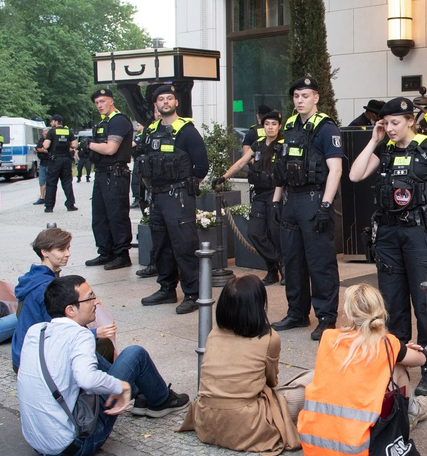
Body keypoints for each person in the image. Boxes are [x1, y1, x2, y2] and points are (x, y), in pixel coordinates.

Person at [16, 275, 190, 456]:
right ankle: (161, 400)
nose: (96, 302)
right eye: (90, 298)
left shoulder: (37, 331)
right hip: (76, 443)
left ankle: (141, 394)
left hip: (39, 443)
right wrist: (120, 387)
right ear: (71, 310)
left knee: (94, 357)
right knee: (135, 353)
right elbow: (87, 380)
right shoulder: (80, 335)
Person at [349, 96, 427, 353]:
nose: (390, 128)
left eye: (395, 123)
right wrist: (374, 140)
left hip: (419, 235)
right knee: (392, 303)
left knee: (424, 303)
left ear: (410, 121)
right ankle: (398, 362)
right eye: (386, 123)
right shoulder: (385, 149)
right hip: (388, 235)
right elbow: (355, 175)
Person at [297, 284, 427, 456]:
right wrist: (401, 350)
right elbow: (422, 359)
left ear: (347, 315)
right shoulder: (387, 343)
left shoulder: (327, 337)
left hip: (312, 448)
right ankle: (413, 410)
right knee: (398, 366)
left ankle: (413, 408)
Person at [177, 275, 301, 455]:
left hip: (206, 421)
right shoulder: (269, 338)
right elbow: (272, 381)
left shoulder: (214, 333)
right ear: (258, 306)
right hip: (247, 425)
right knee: (308, 384)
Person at [271, 75, 343, 340]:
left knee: (320, 262)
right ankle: (297, 313)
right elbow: (281, 168)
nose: (300, 101)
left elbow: (335, 170)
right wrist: (276, 200)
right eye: (296, 96)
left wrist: (326, 205)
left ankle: (326, 317)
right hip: (291, 200)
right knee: (292, 260)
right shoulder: (290, 126)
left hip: (314, 200)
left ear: (316, 98)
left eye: (305, 96)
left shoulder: (326, 128)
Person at [138, 85, 208, 315]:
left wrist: (185, 185)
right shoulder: (151, 131)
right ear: (156, 104)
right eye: (161, 99)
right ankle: (167, 289)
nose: (165, 102)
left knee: (184, 246)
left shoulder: (187, 131)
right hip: (157, 196)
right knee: (161, 245)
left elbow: (201, 167)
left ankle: (192, 294)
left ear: (176, 102)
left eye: (169, 98)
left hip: (178, 196)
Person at [216, 106, 283, 285]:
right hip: (260, 195)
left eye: (274, 124)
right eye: (267, 124)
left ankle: (274, 271)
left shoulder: (283, 145)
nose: (270, 127)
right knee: (255, 233)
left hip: (276, 194)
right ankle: (279, 263)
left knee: (274, 234)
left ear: (279, 126)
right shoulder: (258, 144)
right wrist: (223, 177)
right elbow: (240, 163)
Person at [12, 227, 73, 372]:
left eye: (68, 248)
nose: (68, 254)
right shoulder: (46, 287)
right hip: (33, 361)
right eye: (61, 250)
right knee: (100, 344)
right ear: (44, 252)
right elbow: (57, 329)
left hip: (20, 353)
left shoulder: (32, 277)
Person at [85, 88, 134, 270]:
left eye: (103, 101)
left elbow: (111, 149)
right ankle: (106, 253)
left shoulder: (119, 121)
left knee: (116, 215)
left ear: (111, 101)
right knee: (100, 216)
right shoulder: (104, 122)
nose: (99, 105)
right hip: (102, 172)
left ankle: (122, 254)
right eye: (97, 103)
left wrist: (89, 144)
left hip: (115, 173)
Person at [38, 114, 76, 213]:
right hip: (66, 159)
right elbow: (75, 144)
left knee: (51, 183)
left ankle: (49, 206)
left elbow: (46, 145)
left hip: (55, 160)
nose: (51, 123)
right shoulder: (68, 131)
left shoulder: (52, 131)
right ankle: (70, 205)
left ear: (55, 122)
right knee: (67, 182)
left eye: (52, 121)